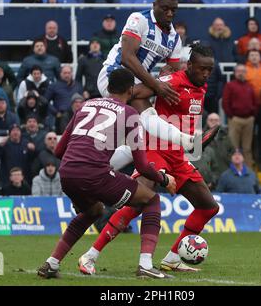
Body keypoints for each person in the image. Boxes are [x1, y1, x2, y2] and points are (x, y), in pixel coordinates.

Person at [78, 44, 220, 275]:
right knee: (139, 202)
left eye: (210, 70)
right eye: (202, 69)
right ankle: (90, 256)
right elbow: (134, 94)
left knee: (208, 207)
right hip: (155, 150)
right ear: (190, 65)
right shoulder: (173, 81)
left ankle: (172, 258)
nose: (206, 74)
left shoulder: (201, 87)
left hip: (178, 156)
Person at [37, 68, 177, 279]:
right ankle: (146, 265)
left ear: (109, 87)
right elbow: (142, 164)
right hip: (94, 174)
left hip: (66, 172)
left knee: (93, 211)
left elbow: (58, 151)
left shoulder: (86, 105)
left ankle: (51, 263)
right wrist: (164, 179)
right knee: (151, 199)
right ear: (131, 90)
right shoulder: (129, 114)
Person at [96, 0, 217, 161]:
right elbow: (127, 57)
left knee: (140, 142)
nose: (169, 13)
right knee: (145, 117)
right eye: (165, 8)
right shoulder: (139, 19)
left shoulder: (174, 38)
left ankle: (102, 169)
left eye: (173, 10)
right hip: (113, 76)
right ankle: (187, 141)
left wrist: (163, 79)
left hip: (138, 82)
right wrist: (156, 84)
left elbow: (172, 71)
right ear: (154, 5)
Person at [223, 64, 257, 168]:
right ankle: (234, 170)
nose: (241, 73)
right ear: (235, 73)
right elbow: (225, 102)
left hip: (249, 120)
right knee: (234, 147)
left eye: (243, 71)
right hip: (235, 119)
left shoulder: (250, 86)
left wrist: (253, 115)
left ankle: (248, 171)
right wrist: (231, 116)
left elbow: (256, 101)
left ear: (246, 73)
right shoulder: (230, 85)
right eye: (239, 71)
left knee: (247, 148)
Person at [191, 113, 232, 190]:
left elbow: (232, 153)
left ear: (220, 122)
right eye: (211, 120)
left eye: (216, 120)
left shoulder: (226, 136)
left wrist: (212, 181)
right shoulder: (187, 151)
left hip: (221, 173)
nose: (213, 122)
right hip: (195, 183)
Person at [45, 65, 83, 134]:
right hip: (60, 117)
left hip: (76, 116)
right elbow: (45, 101)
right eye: (65, 73)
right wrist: (55, 112)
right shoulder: (54, 86)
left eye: (68, 73)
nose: (67, 75)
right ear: (60, 74)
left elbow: (82, 101)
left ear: (72, 74)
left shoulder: (78, 86)